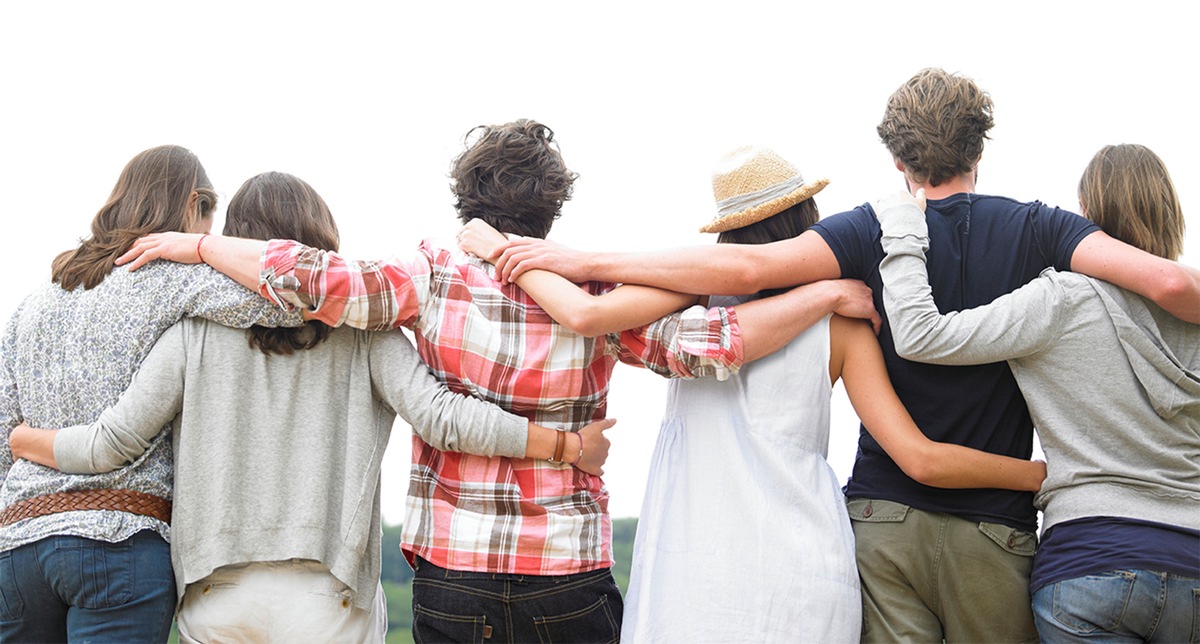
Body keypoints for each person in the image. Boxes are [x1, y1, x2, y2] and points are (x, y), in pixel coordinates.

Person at [480, 70, 1200, 641]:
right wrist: (1051, 475)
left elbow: (734, 278)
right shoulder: (1038, 231)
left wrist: (566, 254)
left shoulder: (849, 239)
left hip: (825, 542)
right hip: (968, 534)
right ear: (981, 149)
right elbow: (1164, 281)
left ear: (896, 158)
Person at [112, 120, 880, 641]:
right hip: (567, 573)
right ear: (553, 205)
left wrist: (202, 249)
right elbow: (717, 342)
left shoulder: (430, 276)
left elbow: (313, 276)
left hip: (455, 575)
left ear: (466, 200)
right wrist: (823, 292)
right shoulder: (603, 297)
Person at [457, 145, 1048, 643]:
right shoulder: (840, 319)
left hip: (688, 574)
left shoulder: (685, 306)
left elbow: (584, 312)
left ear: (727, 235)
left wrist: (495, 245)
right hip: (804, 577)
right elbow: (918, 457)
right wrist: (1041, 475)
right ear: (809, 221)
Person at [9, 171, 617, 642]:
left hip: (216, 597)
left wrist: (20, 440)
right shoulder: (365, 335)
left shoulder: (191, 334)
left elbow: (113, 442)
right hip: (330, 600)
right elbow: (442, 416)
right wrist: (563, 445)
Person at [873, 144, 1198, 643]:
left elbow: (921, 335)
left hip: (1091, 564)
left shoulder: (1061, 300)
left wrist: (901, 226)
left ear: (1086, 216)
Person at [0, 145, 302, 643]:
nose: (209, 234)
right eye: (209, 220)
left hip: (18, 550)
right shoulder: (172, 278)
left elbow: (4, 432)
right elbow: (295, 299)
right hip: (118, 543)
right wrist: (204, 252)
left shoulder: (37, 300)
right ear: (191, 204)